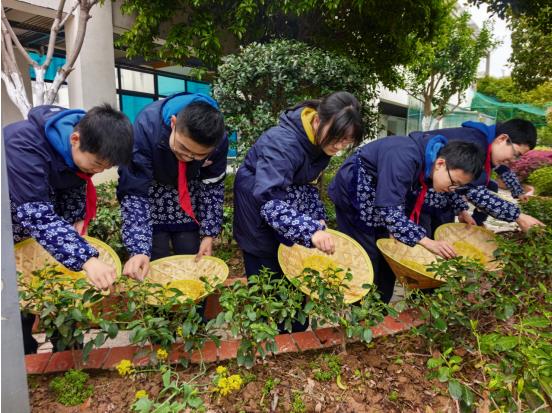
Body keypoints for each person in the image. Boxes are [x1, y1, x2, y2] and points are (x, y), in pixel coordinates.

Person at [5, 103, 133, 354]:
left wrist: (75, 219)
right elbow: (37, 215)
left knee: (63, 287)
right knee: (20, 296)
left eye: (105, 168)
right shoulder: (22, 144)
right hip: (10, 230)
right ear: (75, 139)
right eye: (97, 164)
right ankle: (25, 358)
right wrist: (86, 258)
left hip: (46, 233)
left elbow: (73, 183)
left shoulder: (78, 145)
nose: (98, 171)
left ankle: (68, 355)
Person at [329, 135, 485, 303]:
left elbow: (394, 201)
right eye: (453, 182)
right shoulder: (405, 156)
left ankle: (381, 307)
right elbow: (389, 208)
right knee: (367, 256)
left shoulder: (432, 158)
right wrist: (427, 242)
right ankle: (360, 309)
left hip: (383, 196)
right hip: (357, 193)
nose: (452, 189)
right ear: (440, 163)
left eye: (458, 186)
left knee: (388, 254)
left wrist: (461, 210)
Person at [118, 92, 227, 281]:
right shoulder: (146, 127)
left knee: (192, 255)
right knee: (153, 257)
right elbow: (134, 191)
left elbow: (212, 185)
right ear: (173, 123)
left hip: (187, 194)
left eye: (198, 155)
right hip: (151, 191)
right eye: (183, 148)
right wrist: (138, 248)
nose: (187, 158)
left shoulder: (218, 139)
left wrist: (209, 234)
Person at [408, 119, 543, 236]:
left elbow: (460, 186)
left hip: (438, 192)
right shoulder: (474, 143)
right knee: (424, 236)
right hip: (419, 194)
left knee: (441, 232)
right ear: (502, 139)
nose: (514, 160)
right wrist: (518, 216)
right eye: (516, 154)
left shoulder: (486, 144)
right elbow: (472, 190)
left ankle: (475, 221)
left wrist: (461, 210)